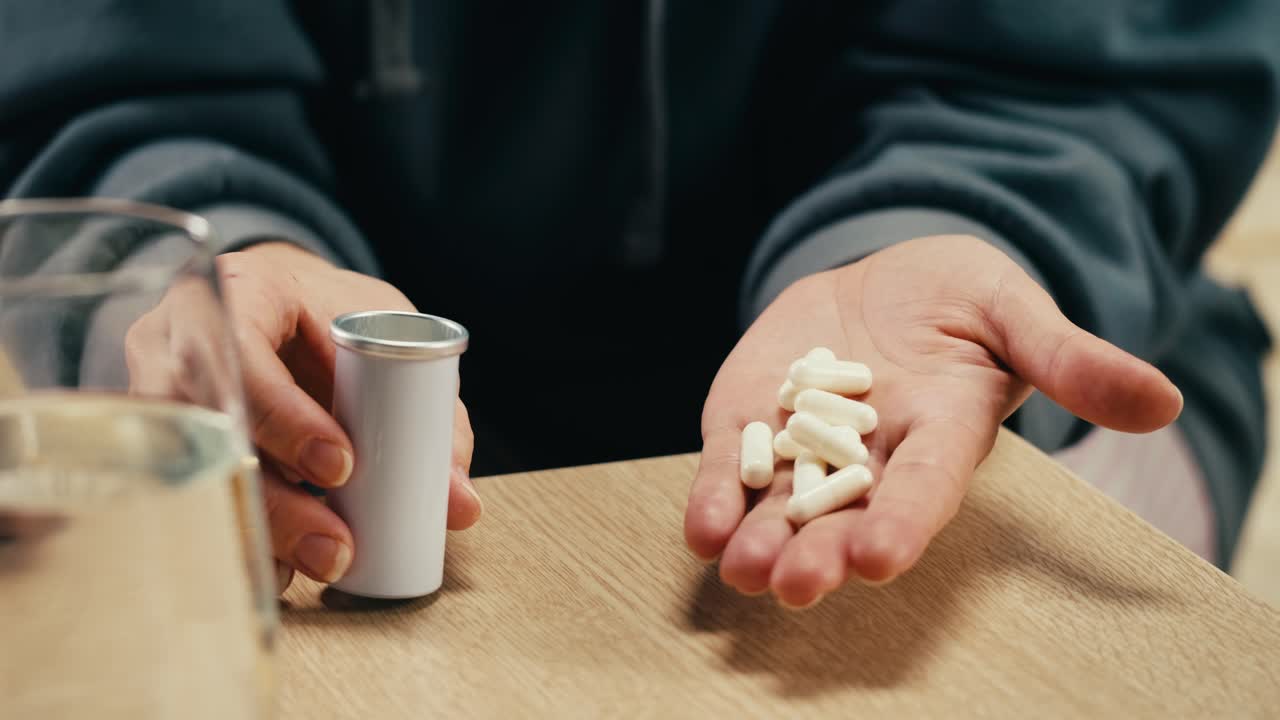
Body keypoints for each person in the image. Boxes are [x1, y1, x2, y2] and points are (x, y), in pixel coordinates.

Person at [3, 2, 1276, 608]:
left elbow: (1073, 75)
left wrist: (951, 229)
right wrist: (206, 248)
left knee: (1016, 637)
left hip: (969, 329)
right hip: (361, 367)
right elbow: (110, 67)